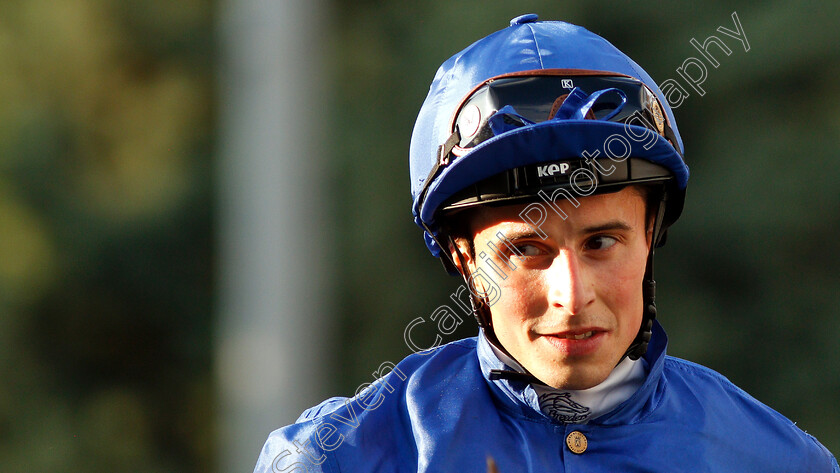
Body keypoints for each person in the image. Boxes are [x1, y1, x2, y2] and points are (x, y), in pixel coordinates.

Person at [254, 14, 838, 472]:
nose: (572, 295)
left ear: (652, 235)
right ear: (464, 259)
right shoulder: (335, 459)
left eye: (602, 242)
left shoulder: (782, 462)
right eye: (526, 250)